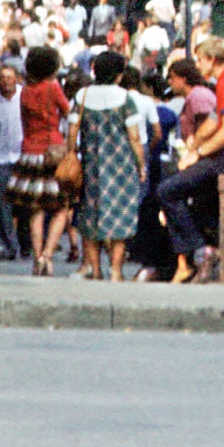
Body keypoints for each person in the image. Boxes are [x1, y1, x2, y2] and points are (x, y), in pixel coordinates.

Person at [157, 37, 224, 284]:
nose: (199, 66)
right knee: (199, 201)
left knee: (167, 191)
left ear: (212, 60)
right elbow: (215, 122)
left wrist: (198, 153)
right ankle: (207, 249)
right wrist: (197, 144)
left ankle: (197, 252)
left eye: (201, 59)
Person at [69, 49, 146, 282]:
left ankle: (96, 269)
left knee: (90, 217)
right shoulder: (125, 98)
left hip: (91, 165)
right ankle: (115, 271)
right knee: (121, 215)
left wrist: (71, 153)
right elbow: (134, 136)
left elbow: (72, 130)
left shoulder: (82, 96)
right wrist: (141, 164)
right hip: (121, 166)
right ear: (119, 74)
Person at [11, 46, 71, 275]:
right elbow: (67, 112)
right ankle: (48, 255)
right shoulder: (53, 87)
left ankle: (37, 259)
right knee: (61, 207)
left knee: (35, 209)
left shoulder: (25, 90)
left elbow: (25, 122)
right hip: (52, 150)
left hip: (30, 150)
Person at [0, 62, 26, 260]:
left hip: (21, 155)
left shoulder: (23, 96)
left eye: (10, 78)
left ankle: (25, 243)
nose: (6, 82)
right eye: (3, 78)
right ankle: (10, 244)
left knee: (25, 203)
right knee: (3, 203)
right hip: (1, 157)